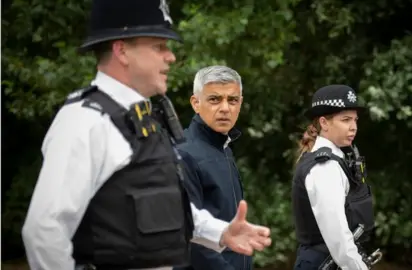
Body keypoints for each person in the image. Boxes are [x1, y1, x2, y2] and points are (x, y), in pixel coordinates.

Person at [21, 1, 271, 269]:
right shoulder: (85, 120)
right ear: (122, 50)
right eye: (158, 46)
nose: (170, 57)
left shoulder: (142, 118)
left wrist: (221, 233)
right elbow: (44, 231)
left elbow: (164, 207)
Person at [173, 66, 252, 270]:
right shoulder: (184, 154)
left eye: (232, 100)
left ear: (240, 103)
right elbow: (190, 237)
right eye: (215, 99)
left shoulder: (223, 149)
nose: (225, 108)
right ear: (195, 103)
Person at [291, 85, 375, 270]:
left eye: (355, 120)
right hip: (323, 263)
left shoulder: (336, 158)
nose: (353, 127)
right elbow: (338, 238)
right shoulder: (325, 166)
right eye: (345, 120)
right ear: (324, 123)